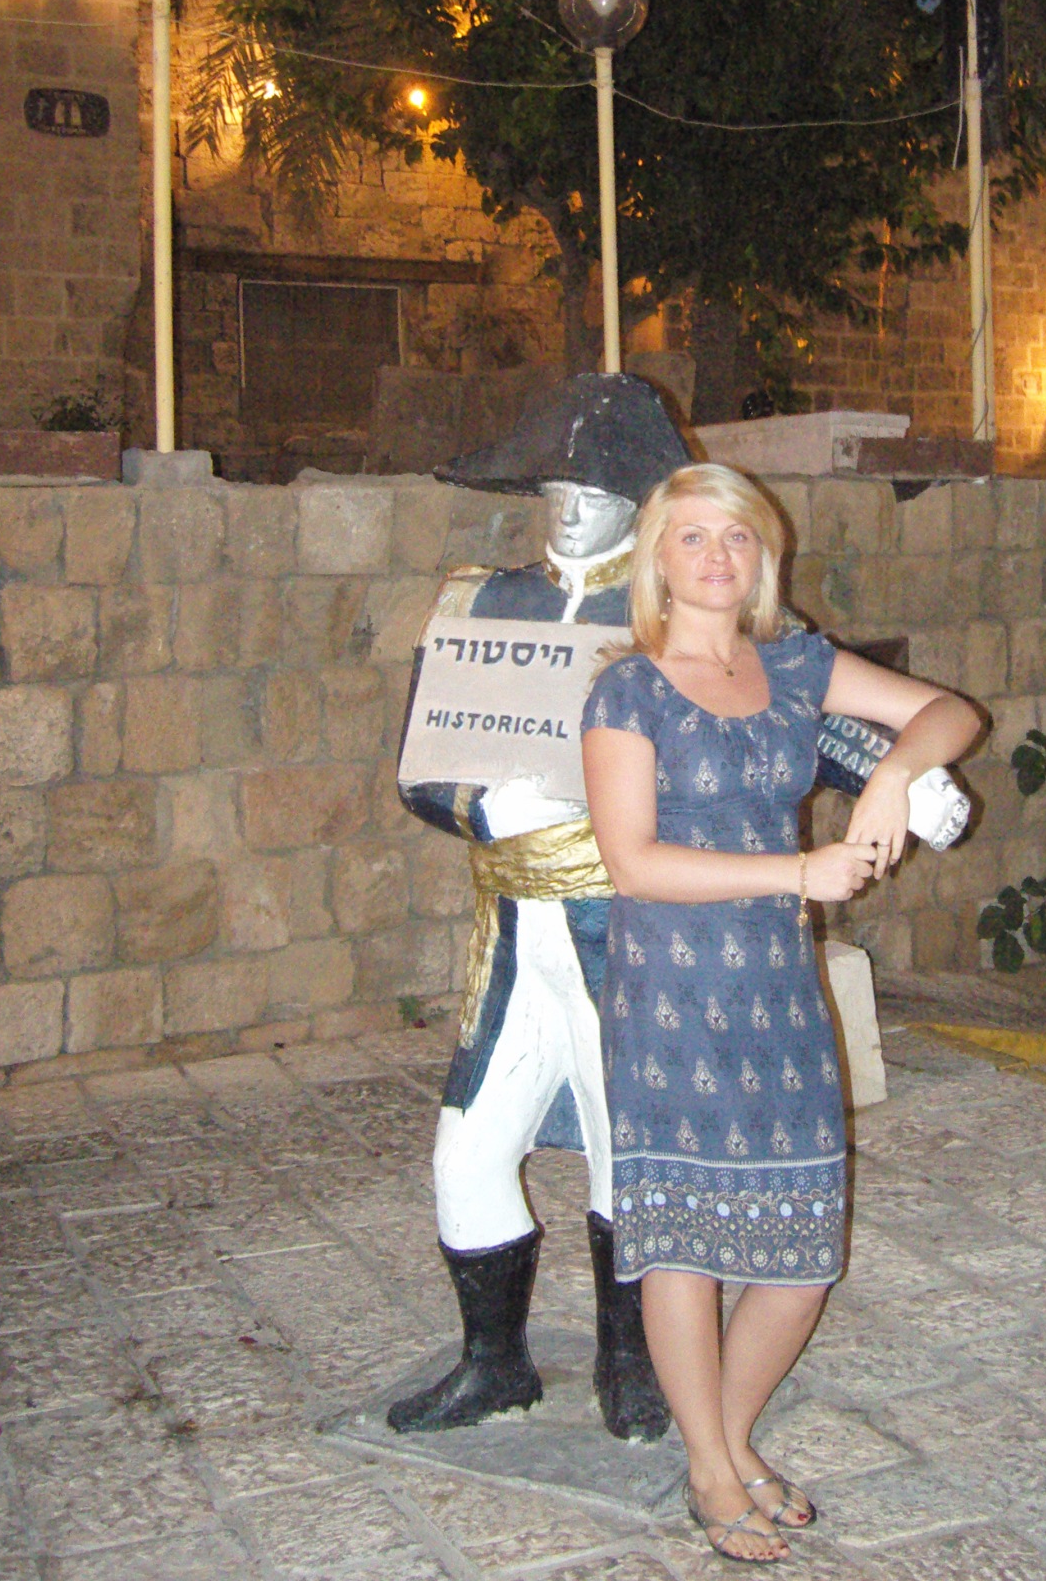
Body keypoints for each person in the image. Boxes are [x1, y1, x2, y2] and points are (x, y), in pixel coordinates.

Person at [581, 463, 980, 1563]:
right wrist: (797, 872)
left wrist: (894, 773)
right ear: (657, 559)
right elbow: (632, 861)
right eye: (692, 536)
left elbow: (951, 712)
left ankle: (728, 1435)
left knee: (802, 1252)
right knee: (685, 1239)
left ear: (766, 553)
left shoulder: (798, 663)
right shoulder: (627, 691)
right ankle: (714, 1468)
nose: (716, 556)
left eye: (737, 536)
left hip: (777, 988)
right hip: (671, 993)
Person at [388, 373, 691, 1439]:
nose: (571, 508)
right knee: (467, 1151)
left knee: (627, 1148)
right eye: (558, 486)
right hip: (513, 929)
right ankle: (493, 1361)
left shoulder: (678, 611)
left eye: (598, 490)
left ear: (639, 501)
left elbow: (784, 710)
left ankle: (632, 1362)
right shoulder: (480, 601)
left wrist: (892, 772)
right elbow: (421, 761)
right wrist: (483, 803)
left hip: (632, 927)